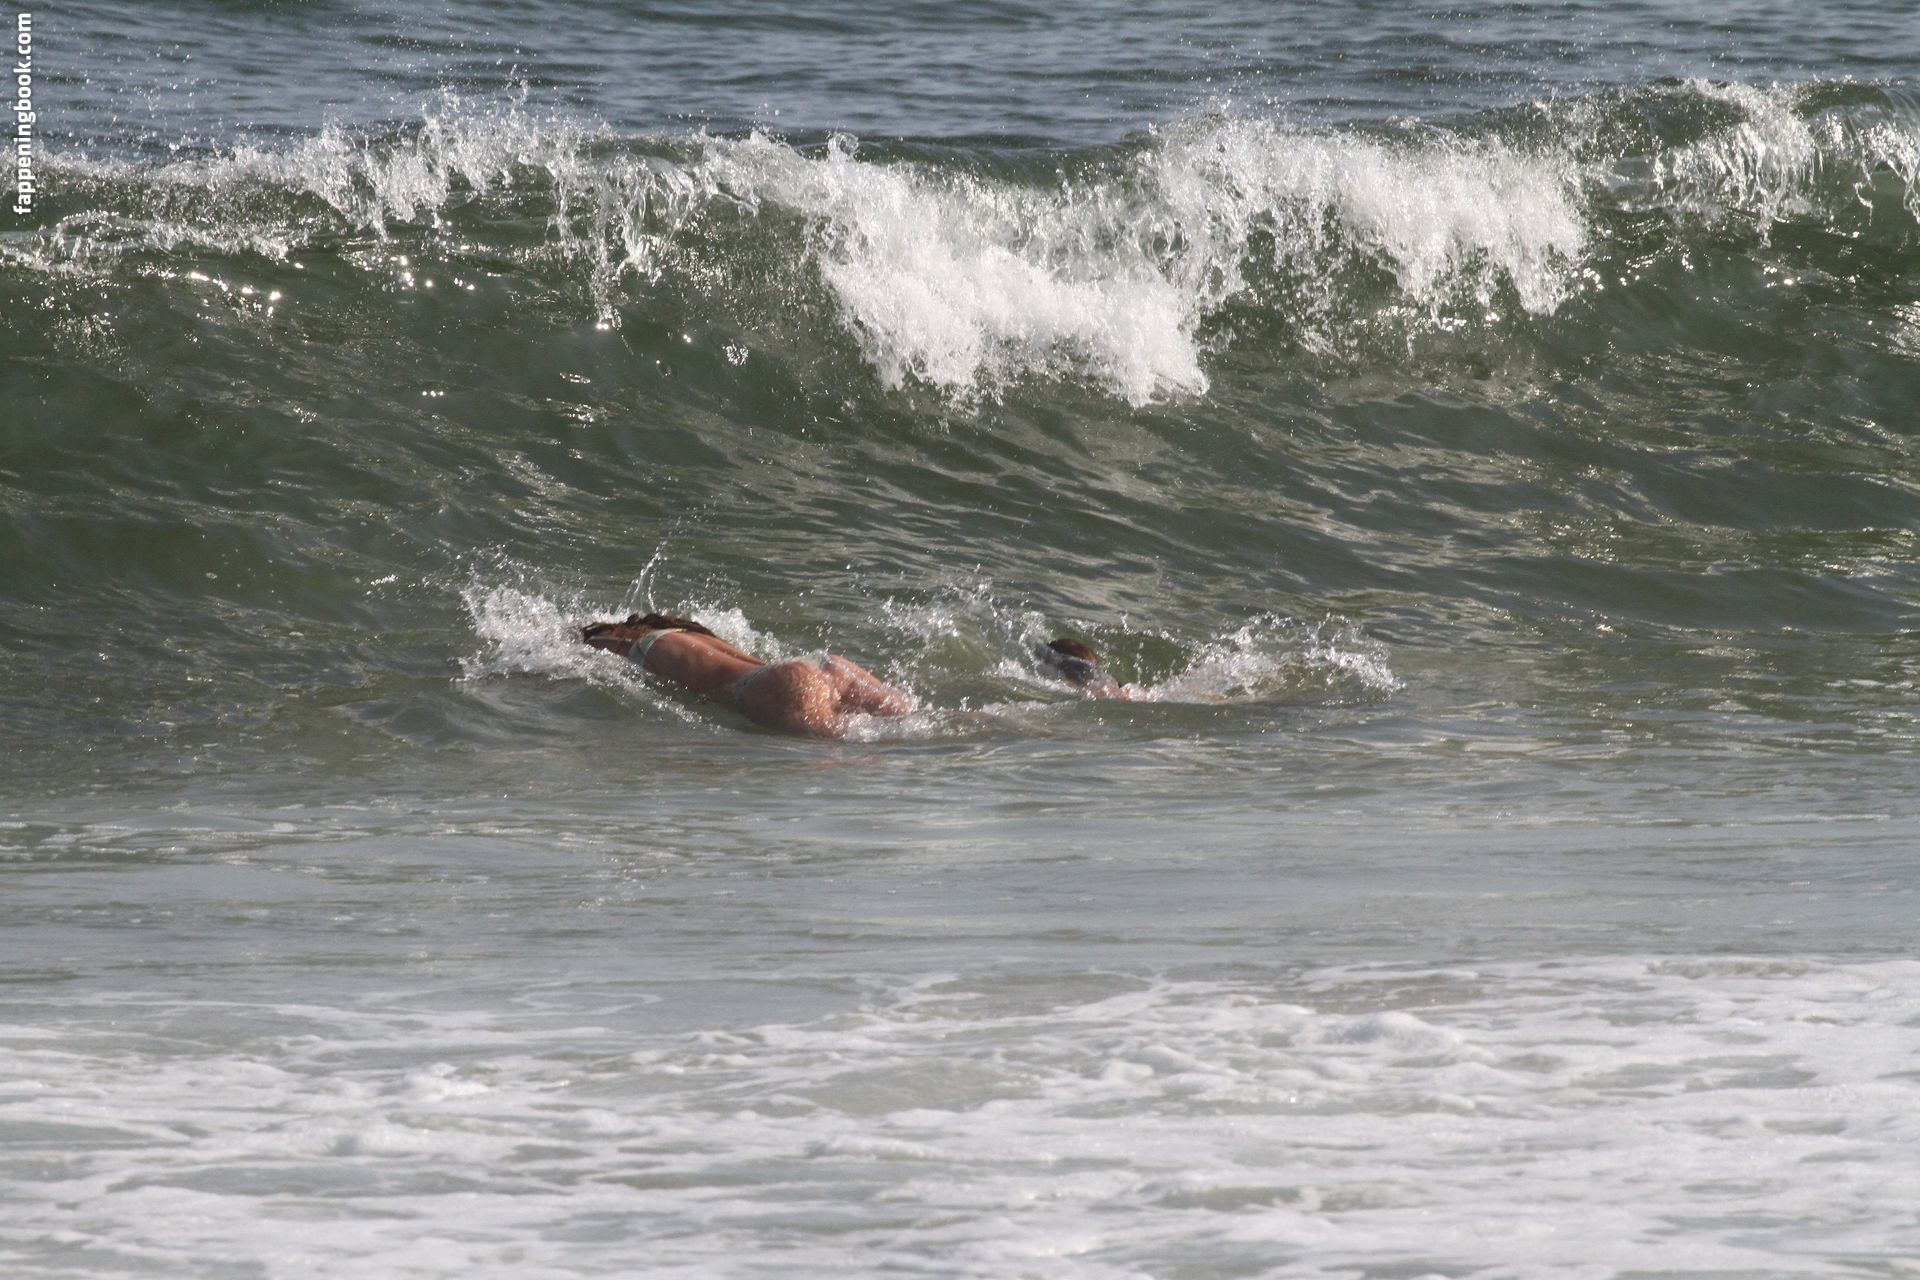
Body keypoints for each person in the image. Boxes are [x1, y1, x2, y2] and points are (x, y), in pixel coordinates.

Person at [582, 612, 917, 738]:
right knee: (914, 724)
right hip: (827, 668)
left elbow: (587, 648)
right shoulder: (694, 636)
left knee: (852, 754)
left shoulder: (630, 643)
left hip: (777, 686)